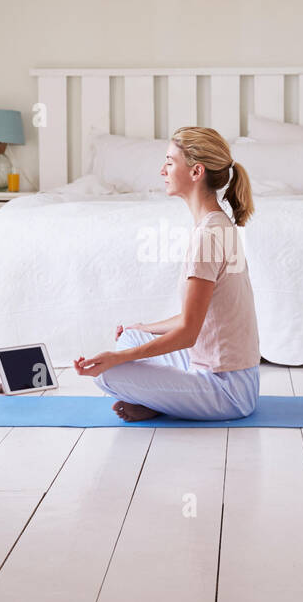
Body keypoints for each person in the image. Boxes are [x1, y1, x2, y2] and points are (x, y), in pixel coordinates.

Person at [73, 126, 261, 421]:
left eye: (170, 162)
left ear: (196, 172)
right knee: (132, 337)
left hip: (228, 391)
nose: (162, 170)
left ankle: (164, 401)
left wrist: (117, 359)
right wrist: (144, 327)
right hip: (227, 373)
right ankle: (165, 399)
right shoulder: (217, 225)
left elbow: (188, 332)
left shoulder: (208, 236)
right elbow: (196, 319)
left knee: (107, 375)